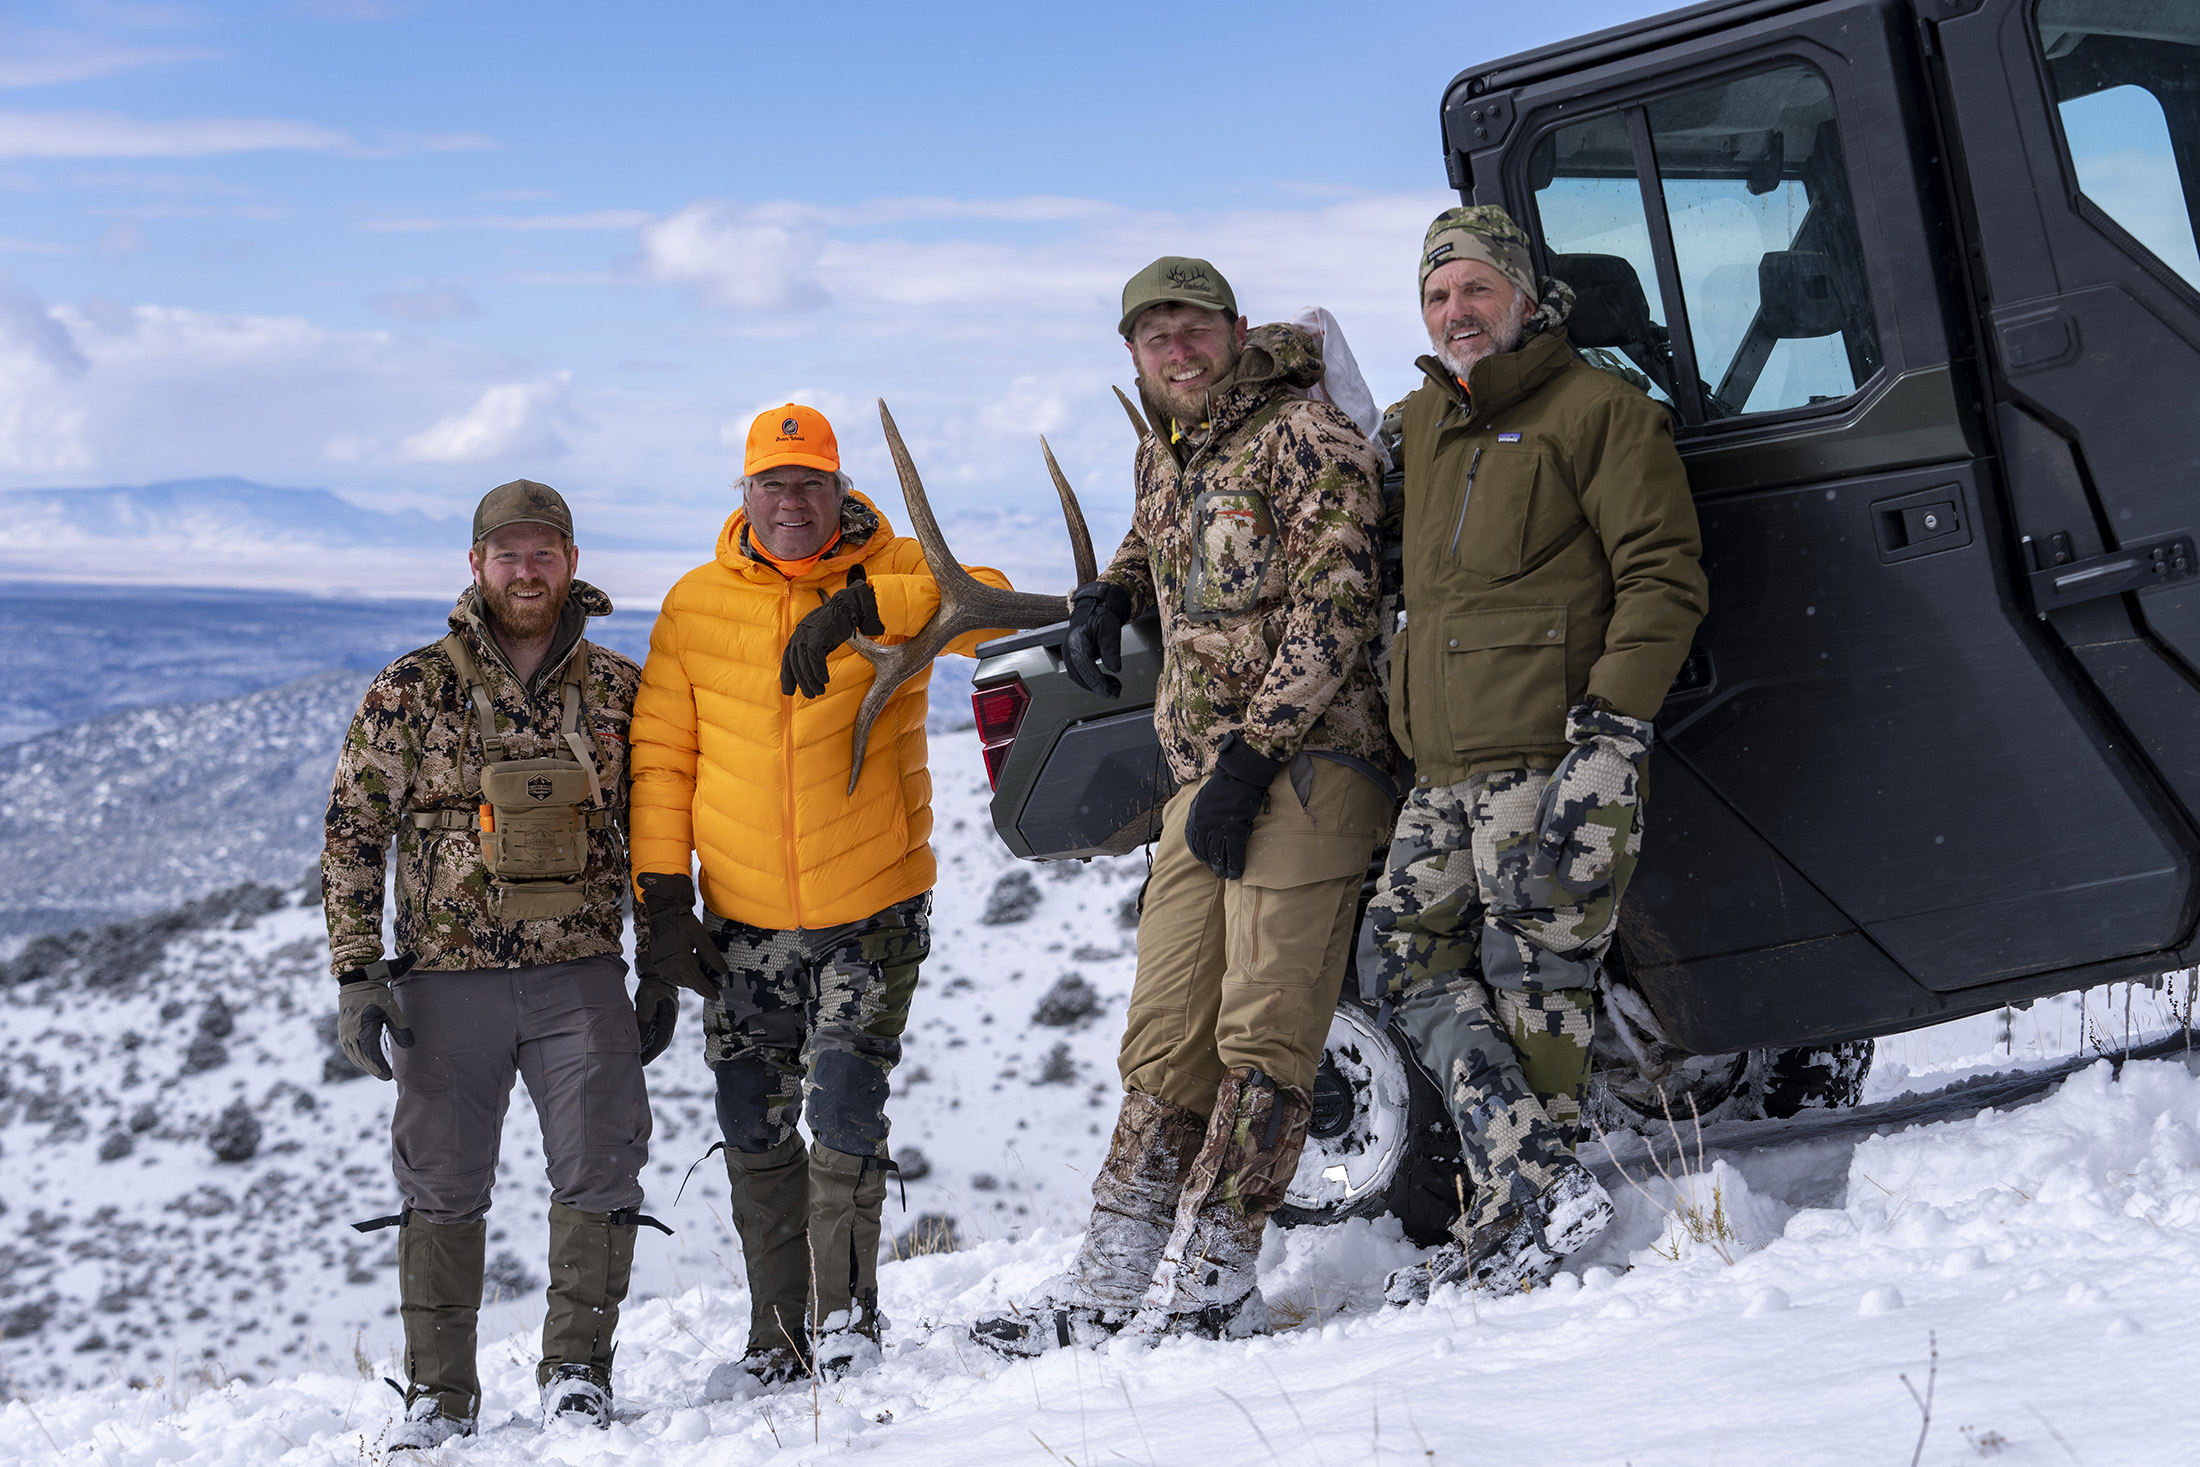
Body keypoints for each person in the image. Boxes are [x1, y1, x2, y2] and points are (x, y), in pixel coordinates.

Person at [976, 257, 1395, 1353]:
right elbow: (1160, 537)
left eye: (1192, 330)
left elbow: (1338, 608)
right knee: (1165, 1032)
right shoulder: (1167, 452)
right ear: (1133, 355)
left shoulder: (1307, 437)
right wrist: (1112, 586)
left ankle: (1216, 1279)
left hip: (1311, 763)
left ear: (1234, 329)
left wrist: (1255, 760)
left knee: (1264, 1028)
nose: (1176, 351)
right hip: (1202, 773)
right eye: (1153, 338)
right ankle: (1107, 1282)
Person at [627, 404, 1012, 1382]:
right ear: (745, 492)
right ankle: (780, 1332)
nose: (791, 502)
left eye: (810, 484)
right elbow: (663, 760)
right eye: (773, 484)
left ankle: (845, 1322)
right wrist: (662, 901)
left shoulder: (895, 571)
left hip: (871, 907)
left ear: (840, 491)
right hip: (742, 922)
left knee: (843, 1107)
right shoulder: (693, 604)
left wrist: (858, 609)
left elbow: (992, 602)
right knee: (752, 1125)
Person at [1367, 206, 1709, 1302]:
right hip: (1445, 767)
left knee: (1535, 977)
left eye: (1473, 290)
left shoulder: (1602, 414)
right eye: (1435, 296)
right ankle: (1536, 1173)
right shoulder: (1421, 423)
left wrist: (1612, 732)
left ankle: (1529, 1211)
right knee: (1400, 956)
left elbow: (1663, 576)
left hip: (1557, 755)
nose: (1454, 313)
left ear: (1522, 297)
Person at [324, 480, 668, 1448]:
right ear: (476, 564)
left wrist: (664, 964)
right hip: (444, 982)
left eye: (544, 551)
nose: (527, 570)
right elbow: (353, 831)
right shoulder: (410, 687)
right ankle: (440, 1396)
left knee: (602, 1171)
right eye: (508, 552)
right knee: (441, 1187)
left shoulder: (617, 688)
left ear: (571, 560)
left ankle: (578, 1376)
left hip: (583, 976)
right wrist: (358, 973)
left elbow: (657, 832)